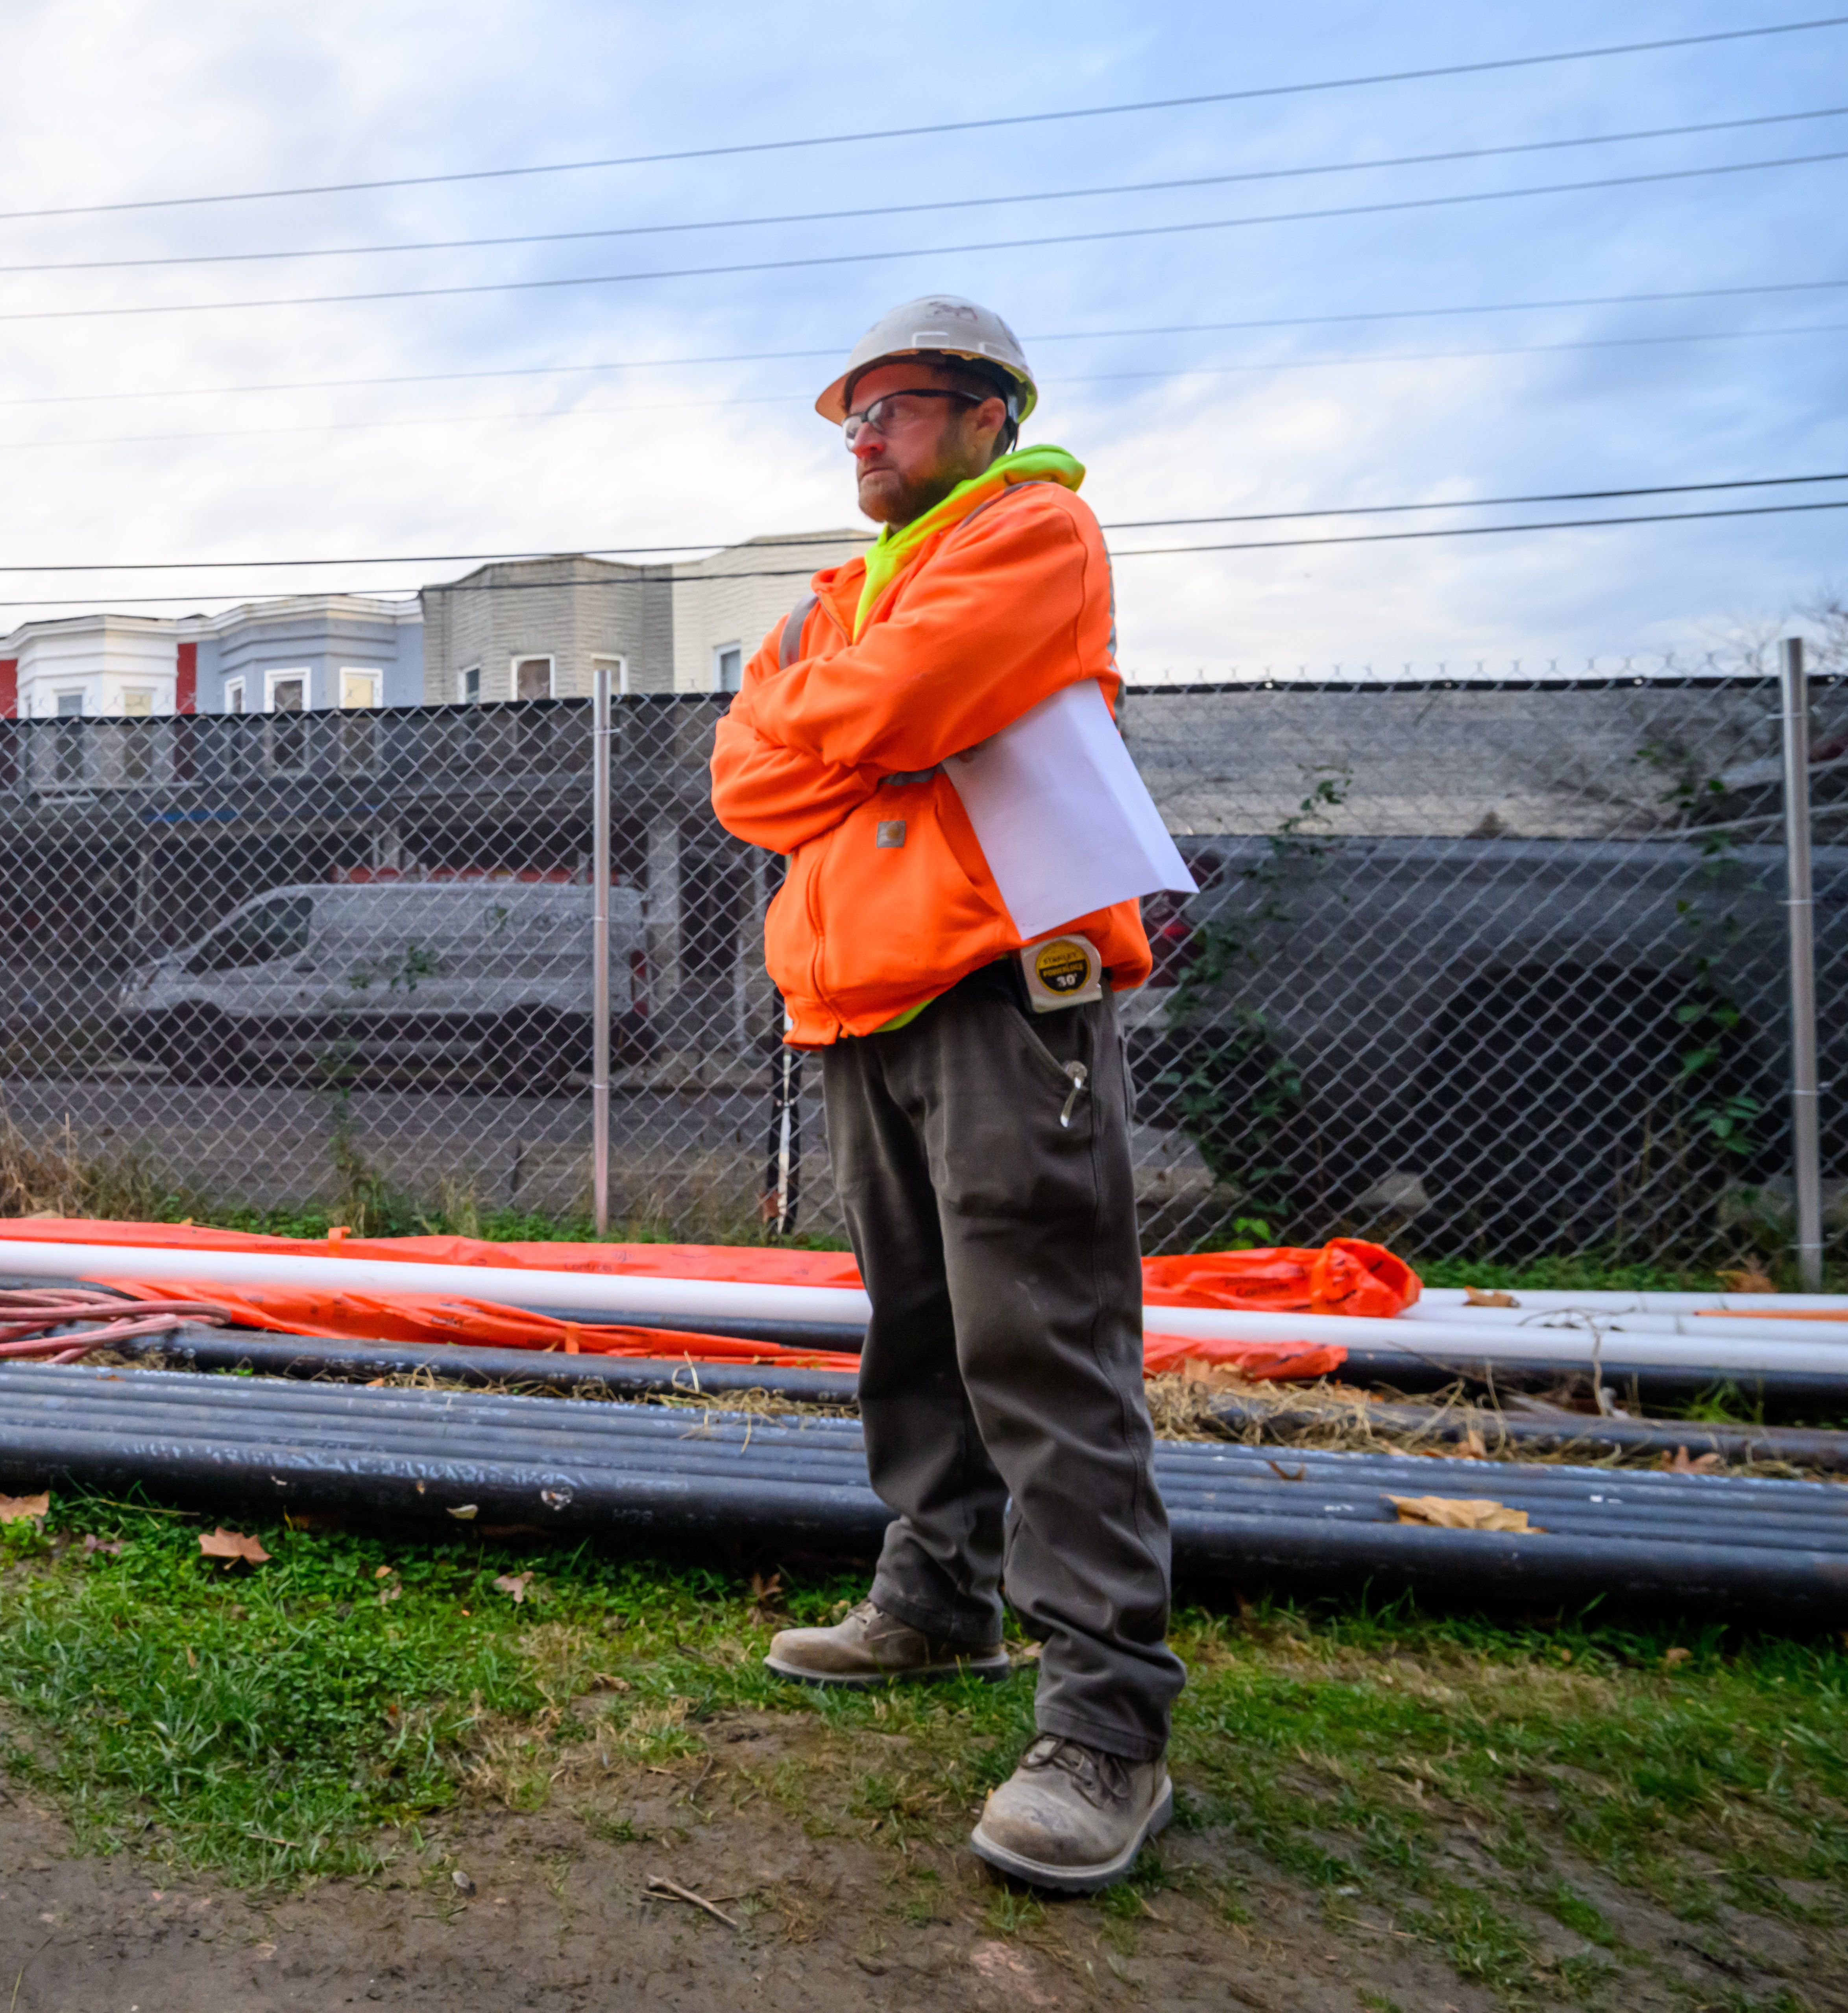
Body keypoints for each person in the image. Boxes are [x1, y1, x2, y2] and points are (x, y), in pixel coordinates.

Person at [709, 295, 1183, 1895]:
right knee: (917, 1329)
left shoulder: (1033, 535)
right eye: (851, 414)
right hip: (857, 1005)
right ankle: (934, 1600)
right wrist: (864, 726)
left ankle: (1108, 1721)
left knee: (1038, 1339)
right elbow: (742, 778)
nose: (865, 435)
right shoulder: (848, 593)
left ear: (987, 413)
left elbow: (889, 712)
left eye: (897, 408)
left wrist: (853, 724)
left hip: (998, 998)